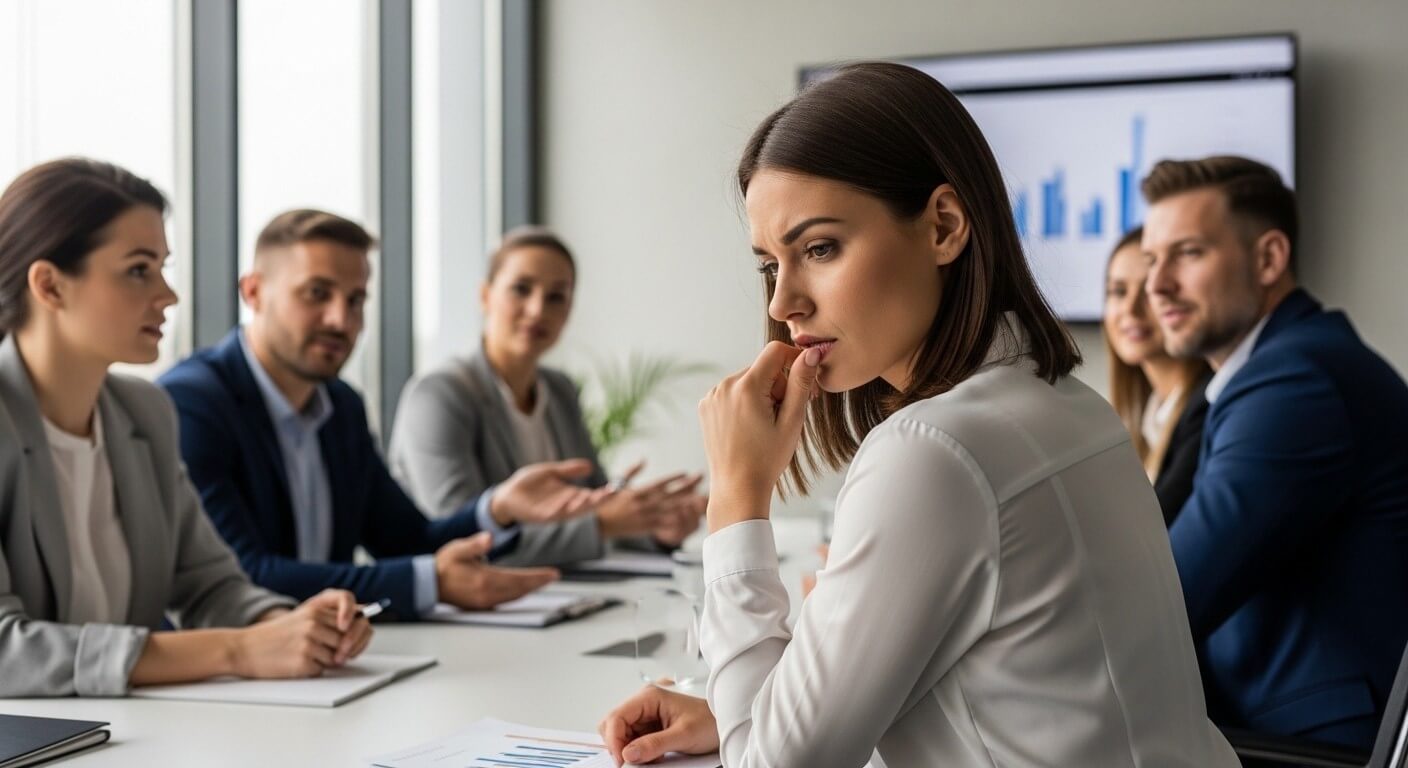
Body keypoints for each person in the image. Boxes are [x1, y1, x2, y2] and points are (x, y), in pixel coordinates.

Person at [598, 62, 1236, 767]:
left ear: (943, 226)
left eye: (819, 248)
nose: (783, 305)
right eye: (768, 266)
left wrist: (736, 497)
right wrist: (740, 714)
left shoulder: (936, 450)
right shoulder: (1062, 403)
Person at [0, 158, 372, 697]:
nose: (167, 295)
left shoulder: (144, 412)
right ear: (51, 286)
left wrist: (288, 628)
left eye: (163, 269)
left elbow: (210, 583)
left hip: (133, 735)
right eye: (138, 270)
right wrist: (236, 650)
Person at [159, 210, 611, 620]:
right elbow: (242, 574)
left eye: (356, 300)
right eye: (317, 293)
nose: (341, 319)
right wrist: (431, 582)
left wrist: (498, 508)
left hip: (329, 662)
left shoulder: (341, 406)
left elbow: (406, 539)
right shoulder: (193, 403)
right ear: (254, 292)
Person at [1143, 155, 1408, 749]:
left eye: (1187, 254)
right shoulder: (1284, 365)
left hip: (1316, 742)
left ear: (1268, 259)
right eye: (1151, 259)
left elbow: (1169, 597)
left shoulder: (1294, 383)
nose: (1156, 284)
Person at [388, 227, 704, 566]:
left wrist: (657, 527)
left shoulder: (560, 390)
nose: (538, 310)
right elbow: (463, 536)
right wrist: (604, 523)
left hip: (555, 592)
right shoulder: (439, 396)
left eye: (556, 297)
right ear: (485, 296)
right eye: (521, 289)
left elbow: (595, 501)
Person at [1103, 225, 1210, 522]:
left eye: (1149, 291)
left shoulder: (1206, 411)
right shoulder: (1149, 418)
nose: (1131, 310)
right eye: (1118, 291)